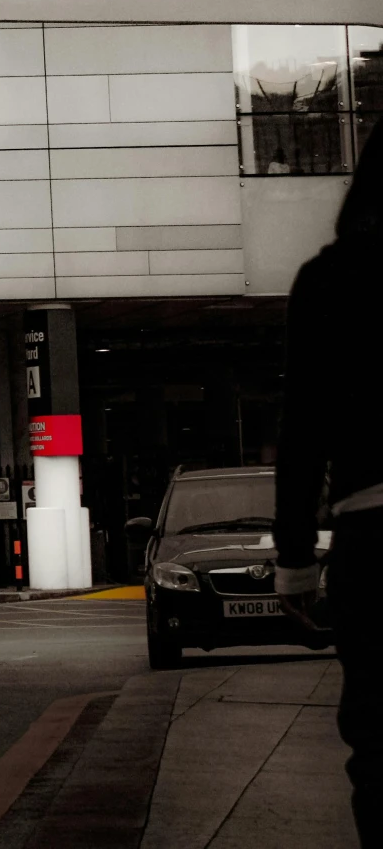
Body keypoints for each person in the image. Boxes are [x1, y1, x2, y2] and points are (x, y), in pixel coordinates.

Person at [278, 123, 383, 843]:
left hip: (376, 538)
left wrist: (294, 563)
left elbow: (303, 430)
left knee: (380, 747)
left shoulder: (330, 279)